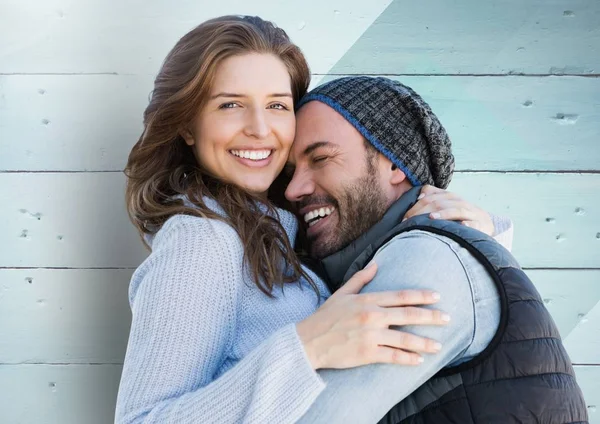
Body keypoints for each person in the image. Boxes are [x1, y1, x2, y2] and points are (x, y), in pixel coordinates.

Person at [115, 16, 510, 423]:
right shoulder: (202, 239)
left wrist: (476, 235)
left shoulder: (284, 229)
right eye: (230, 104)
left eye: (277, 105)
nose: (260, 128)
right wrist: (304, 348)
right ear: (188, 126)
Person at [284, 76, 588, 423]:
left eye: (321, 158)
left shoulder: (425, 258)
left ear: (394, 163)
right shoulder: (434, 252)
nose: (293, 189)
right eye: (290, 172)